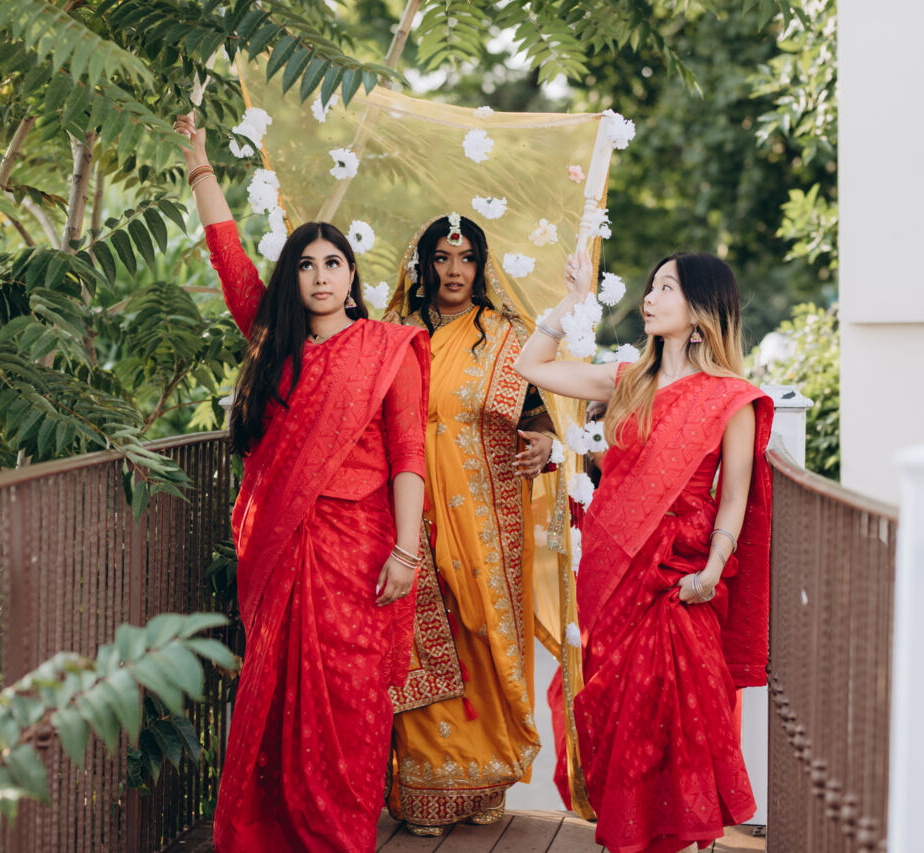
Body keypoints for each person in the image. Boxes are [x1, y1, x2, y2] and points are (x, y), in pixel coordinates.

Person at [173, 113, 430, 853]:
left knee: (351, 698)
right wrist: (199, 167)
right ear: (293, 279)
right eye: (306, 265)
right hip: (281, 549)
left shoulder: (387, 350)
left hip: (360, 552)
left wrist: (406, 551)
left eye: (332, 263)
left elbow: (409, 456)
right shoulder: (274, 342)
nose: (320, 276)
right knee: (273, 693)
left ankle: (340, 838)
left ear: (352, 276)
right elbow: (228, 258)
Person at [515, 248, 774, 853]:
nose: (649, 299)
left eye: (665, 289)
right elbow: (532, 364)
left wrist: (712, 570)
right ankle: (623, 832)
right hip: (610, 565)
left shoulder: (732, 398)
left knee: (673, 708)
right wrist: (573, 300)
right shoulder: (628, 378)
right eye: (652, 287)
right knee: (608, 704)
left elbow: (734, 498)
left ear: (701, 309)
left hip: (678, 573)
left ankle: (664, 839)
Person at [381, 213, 556, 835]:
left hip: (487, 520)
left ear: (482, 266)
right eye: (442, 257)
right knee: (419, 640)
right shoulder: (393, 333)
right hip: (408, 509)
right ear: (423, 265)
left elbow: (539, 414)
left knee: (481, 635)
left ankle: (487, 780)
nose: (454, 271)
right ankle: (426, 788)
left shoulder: (508, 337)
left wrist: (543, 443)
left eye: (466, 258)